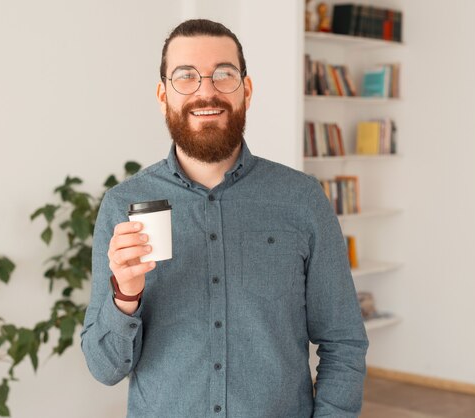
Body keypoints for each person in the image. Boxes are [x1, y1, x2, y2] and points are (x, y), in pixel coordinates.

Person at [81, 19, 369, 418]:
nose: (207, 91)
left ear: (246, 91)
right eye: (186, 77)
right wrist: (125, 297)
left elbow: (344, 342)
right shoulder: (122, 205)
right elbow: (104, 367)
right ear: (163, 95)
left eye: (224, 74)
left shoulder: (302, 199)